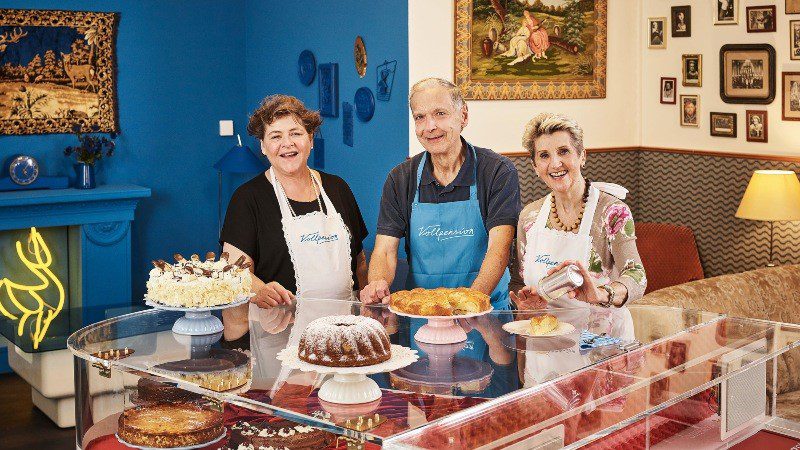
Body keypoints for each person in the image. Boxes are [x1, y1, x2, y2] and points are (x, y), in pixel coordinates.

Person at [361, 78, 521, 312]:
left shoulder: (497, 172)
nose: (430, 126)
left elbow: (499, 248)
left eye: (440, 113)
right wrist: (377, 283)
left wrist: (469, 305)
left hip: (486, 312)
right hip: (422, 313)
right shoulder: (400, 179)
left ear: (463, 116)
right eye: (420, 117)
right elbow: (385, 250)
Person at [220, 94, 369, 345]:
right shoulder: (248, 198)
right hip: (275, 336)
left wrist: (370, 316)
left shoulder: (338, 188)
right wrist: (260, 290)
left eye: (296, 133)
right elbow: (234, 272)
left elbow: (360, 262)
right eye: (275, 136)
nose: (287, 144)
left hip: (343, 332)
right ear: (263, 146)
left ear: (310, 139)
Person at [509, 113, 647, 313]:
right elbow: (517, 281)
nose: (555, 163)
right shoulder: (529, 217)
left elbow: (636, 275)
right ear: (535, 166)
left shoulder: (612, 212)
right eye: (544, 155)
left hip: (600, 330)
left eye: (564, 151)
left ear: (582, 156)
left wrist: (601, 294)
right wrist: (525, 302)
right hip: (545, 329)